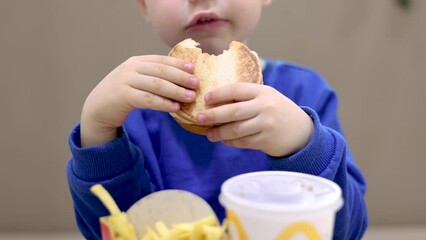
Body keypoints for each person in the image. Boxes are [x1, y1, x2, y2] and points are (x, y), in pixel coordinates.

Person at [67, 0, 368, 239]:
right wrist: (97, 130)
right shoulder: (130, 112)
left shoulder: (307, 94)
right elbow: (108, 230)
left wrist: (303, 143)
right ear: (144, 5)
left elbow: (348, 230)